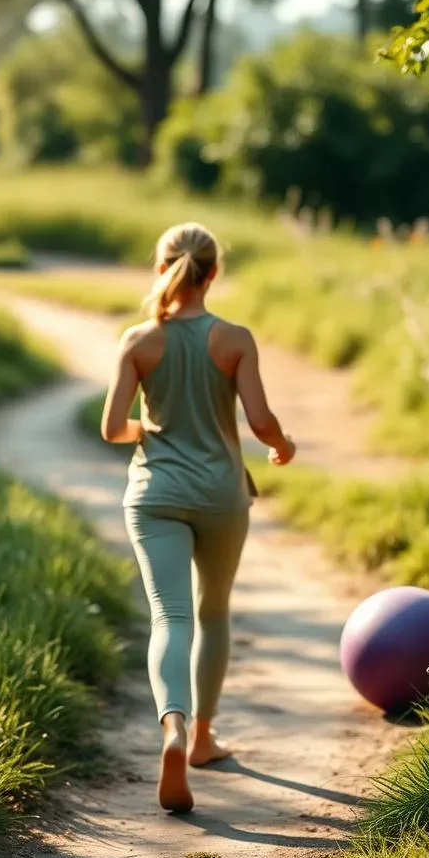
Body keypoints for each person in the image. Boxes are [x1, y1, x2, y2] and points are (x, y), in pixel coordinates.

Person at [100, 222, 296, 813]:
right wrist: (282, 444)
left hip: (155, 493)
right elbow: (260, 421)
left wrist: (152, 430)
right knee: (213, 613)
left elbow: (112, 429)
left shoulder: (138, 341)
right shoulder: (234, 339)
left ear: (162, 269)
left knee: (169, 618)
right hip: (220, 495)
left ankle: (174, 731)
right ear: (213, 273)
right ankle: (205, 740)